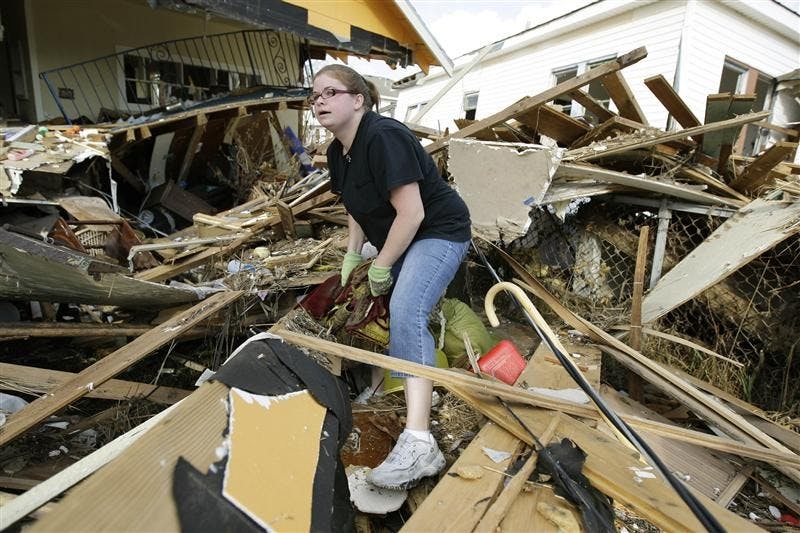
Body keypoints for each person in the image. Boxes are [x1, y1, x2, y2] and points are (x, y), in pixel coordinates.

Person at [310, 65, 471, 490]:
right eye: (314, 96)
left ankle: (420, 442)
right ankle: (381, 386)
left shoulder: (384, 137)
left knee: (406, 306)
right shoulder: (336, 152)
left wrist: (382, 263)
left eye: (330, 92)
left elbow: (413, 213)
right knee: (362, 300)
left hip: (437, 231)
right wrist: (352, 255)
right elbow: (355, 205)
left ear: (358, 99)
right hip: (399, 234)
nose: (319, 102)